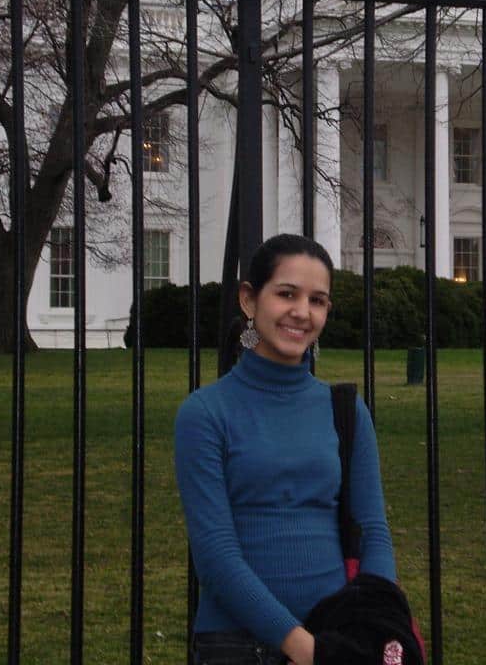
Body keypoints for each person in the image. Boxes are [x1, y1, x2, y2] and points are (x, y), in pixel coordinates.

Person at [175, 234, 396, 665]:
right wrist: (302, 646)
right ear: (248, 300)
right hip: (239, 646)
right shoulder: (205, 413)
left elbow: (373, 531)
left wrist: (373, 625)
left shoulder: (346, 411)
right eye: (286, 294)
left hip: (335, 636)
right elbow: (216, 556)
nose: (302, 312)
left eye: (317, 300)